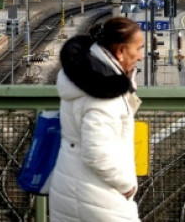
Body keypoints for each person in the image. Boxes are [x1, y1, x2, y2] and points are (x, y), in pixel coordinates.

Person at [48, 17, 144, 221]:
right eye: (138, 49)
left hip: (68, 187)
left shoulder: (80, 77)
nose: (141, 56)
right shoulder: (104, 93)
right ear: (120, 51)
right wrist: (128, 185)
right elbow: (96, 154)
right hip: (99, 200)